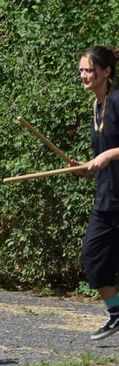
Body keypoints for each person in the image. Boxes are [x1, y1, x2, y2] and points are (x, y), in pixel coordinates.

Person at [77, 46, 119, 340]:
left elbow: (110, 153)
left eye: (90, 70)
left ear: (106, 72)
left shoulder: (117, 102)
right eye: (81, 70)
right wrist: (84, 167)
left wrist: (109, 155)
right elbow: (99, 159)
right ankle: (116, 312)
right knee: (92, 255)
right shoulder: (96, 106)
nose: (84, 75)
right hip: (106, 198)